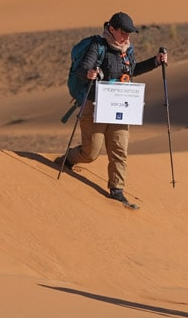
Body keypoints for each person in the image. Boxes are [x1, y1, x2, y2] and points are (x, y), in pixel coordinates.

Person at [57, 12, 169, 207]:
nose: (127, 36)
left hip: (120, 105)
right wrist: (89, 73)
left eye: (129, 33)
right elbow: (82, 69)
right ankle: (67, 159)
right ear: (112, 29)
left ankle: (117, 189)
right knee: (91, 153)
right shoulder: (97, 45)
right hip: (95, 106)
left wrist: (155, 61)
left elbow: (132, 70)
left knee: (119, 148)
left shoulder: (127, 50)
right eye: (123, 32)